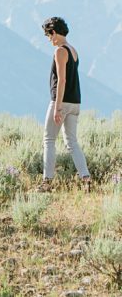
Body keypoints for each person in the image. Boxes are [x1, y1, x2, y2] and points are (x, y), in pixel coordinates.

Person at [40, 17, 91, 190]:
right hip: (76, 102)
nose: (49, 40)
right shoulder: (73, 50)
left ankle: (47, 182)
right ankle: (86, 178)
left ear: (53, 32)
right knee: (71, 142)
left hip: (62, 101)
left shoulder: (60, 51)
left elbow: (61, 80)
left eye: (48, 36)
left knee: (49, 139)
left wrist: (57, 107)